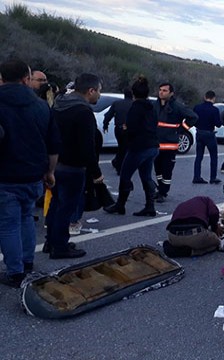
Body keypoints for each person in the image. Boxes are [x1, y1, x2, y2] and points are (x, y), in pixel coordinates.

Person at [0, 60, 59, 287]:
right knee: (25, 218)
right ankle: (27, 262)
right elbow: (53, 145)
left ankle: (15, 272)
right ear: (26, 78)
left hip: (5, 176)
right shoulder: (41, 106)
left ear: (2, 78)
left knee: (8, 224)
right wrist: (50, 172)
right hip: (34, 175)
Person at [45, 73, 103, 259]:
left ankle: (51, 241)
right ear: (91, 90)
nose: (99, 96)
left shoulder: (59, 105)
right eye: (99, 91)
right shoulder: (83, 111)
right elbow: (88, 147)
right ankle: (60, 247)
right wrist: (96, 173)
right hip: (73, 167)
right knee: (66, 208)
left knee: (56, 204)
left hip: (55, 163)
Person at [104, 76, 160, 217]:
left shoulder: (136, 107)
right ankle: (150, 206)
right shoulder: (151, 107)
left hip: (139, 146)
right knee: (146, 175)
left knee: (125, 174)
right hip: (152, 145)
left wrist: (125, 129)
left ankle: (120, 205)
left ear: (133, 94)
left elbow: (132, 127)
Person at [153, 82, 198, 203]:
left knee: (167, 171)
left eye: (165, 90)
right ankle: (159, 189)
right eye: (160, 90)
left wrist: (181, 129)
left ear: (171, 93)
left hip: (170, 146)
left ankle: (163, 192)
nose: (161, 92)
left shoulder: (177, 106)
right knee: (158, 170)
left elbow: (193, 117)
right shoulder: (155, 105)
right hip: (156, 145)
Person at [192, 91, 224, 184]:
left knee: (199, 156)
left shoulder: (197, 107)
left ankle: (196, 176)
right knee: (213, 156)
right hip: (209, 134)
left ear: (204, 97)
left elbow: (193, 119)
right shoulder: (214, 110)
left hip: (199, 132)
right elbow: (218, 124)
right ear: (213, 98)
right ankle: (213, 177)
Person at [103, 87, 133, 174]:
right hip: (129, 129)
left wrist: (106, 125)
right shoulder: (134, 105)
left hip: (118, 129)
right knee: (125, 148)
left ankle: (117, 162)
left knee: (121, 146)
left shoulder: (117, 103)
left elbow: (108, 115)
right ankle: (120, 166)